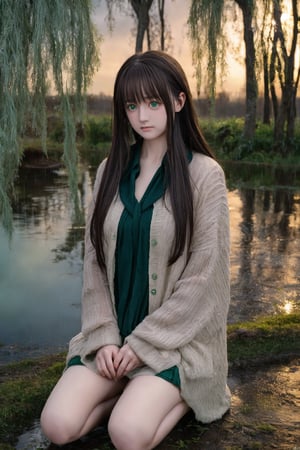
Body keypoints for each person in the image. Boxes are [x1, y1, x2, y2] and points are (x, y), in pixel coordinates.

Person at [40, 50, 231, 450]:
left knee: (126, 434)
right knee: (57, 425)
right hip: (112, 342)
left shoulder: (204, 175)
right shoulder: (111, 168)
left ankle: (180, 397)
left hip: (173, 345)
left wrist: (143, 344)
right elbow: (94, 260)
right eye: (131, 105)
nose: (142, 115)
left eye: (153, 102)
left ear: (178, 102)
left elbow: (203, 280)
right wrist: (106, 336)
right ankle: (125, 390)